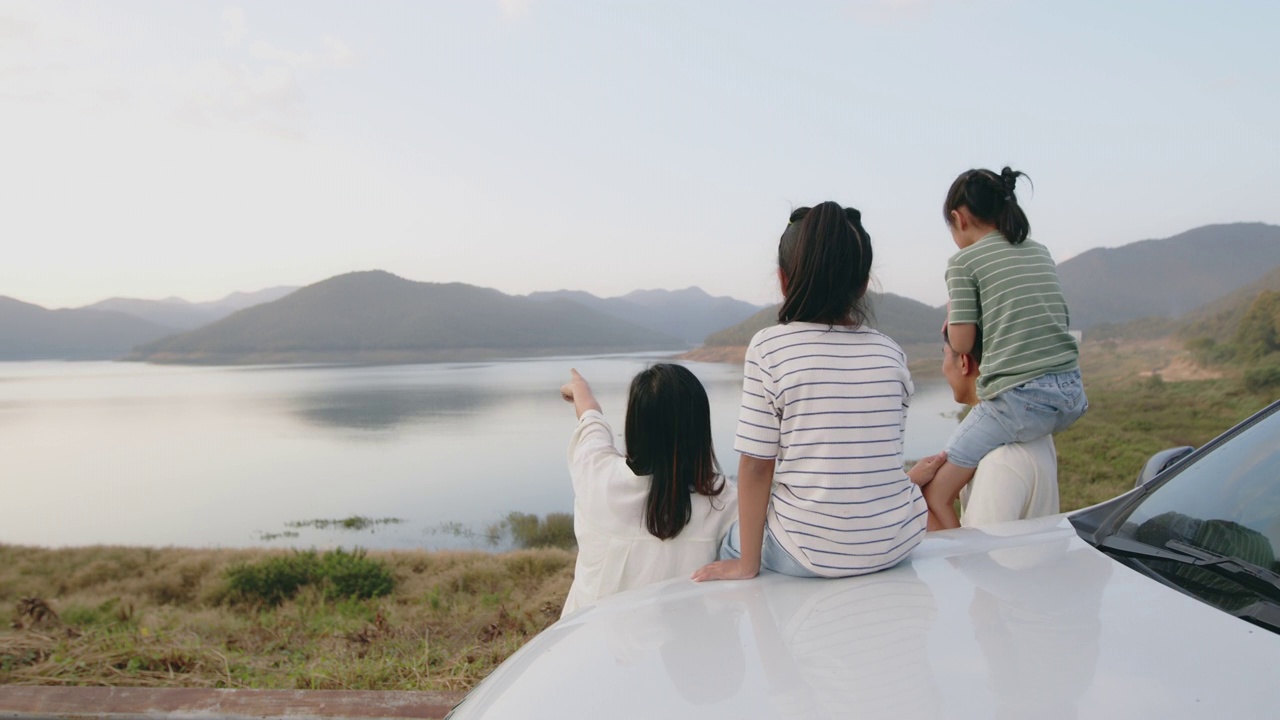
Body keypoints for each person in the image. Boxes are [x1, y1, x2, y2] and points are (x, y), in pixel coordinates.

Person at [691, 202, 931, 583]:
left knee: (729, 544)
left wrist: (746, 564)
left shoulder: (769, 347)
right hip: (896, 542)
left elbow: (756, 466)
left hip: (807, 553)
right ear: (864, 283)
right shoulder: (890, 351)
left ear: (783, 280)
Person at [921, 167, 1086, 531]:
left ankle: (960, 557)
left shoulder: (964, 262)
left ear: (957, 218)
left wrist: (956, 316)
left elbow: (963, 343)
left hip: (1017, 401)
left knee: (934, 493)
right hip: (1070, 394)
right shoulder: (1039, 252)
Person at [559, 364, 737, 616]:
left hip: (587, 644)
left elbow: (591, 419)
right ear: (699, 429)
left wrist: (579, 388)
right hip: (682, 649)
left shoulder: (597, 473)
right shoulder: (724, 502)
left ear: (634, 423)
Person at [940, 326, 1059, 526]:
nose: (942, 368)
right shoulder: (1036, 431)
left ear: (964, 362)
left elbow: (978, 554)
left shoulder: (998, 461)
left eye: (943, 356)